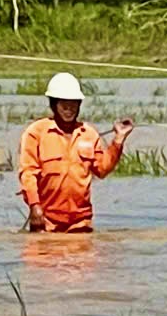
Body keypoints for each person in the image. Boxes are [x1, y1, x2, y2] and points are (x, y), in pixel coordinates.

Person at [17, 71, 134, 233]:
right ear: (54, 104)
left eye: (73, 104)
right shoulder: (36, 132)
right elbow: (28, 174)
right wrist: (34, 206)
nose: (69, 109)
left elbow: (102, 169)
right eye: (64, 104)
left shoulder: (89, 134)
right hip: (46, 221)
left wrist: (119, 140)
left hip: (80, 222)